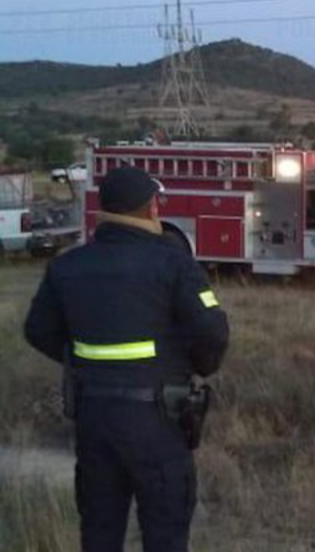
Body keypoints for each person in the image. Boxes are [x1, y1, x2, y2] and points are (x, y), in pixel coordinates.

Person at [24, 166, 230, 552]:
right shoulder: (174, 264)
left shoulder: (67, 266)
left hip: (93, 420)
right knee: (165, 534)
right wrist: (196, 366)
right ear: (152, 208)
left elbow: (38, 330)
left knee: (100, 533)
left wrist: (86, 359)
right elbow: (213, 332)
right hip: (158, 424)